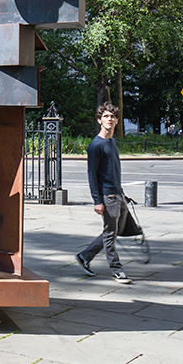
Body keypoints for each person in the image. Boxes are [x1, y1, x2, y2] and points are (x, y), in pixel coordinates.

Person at [75, 103, 132, 284]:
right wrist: (97, 201)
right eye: (106, 116)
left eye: (112, 117)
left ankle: (85, 256)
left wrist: (122, 192)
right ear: (99, 120)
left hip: (117, 195)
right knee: (110, 234)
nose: (109, 119)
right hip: (107, 197)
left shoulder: (112, 143)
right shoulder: (96, 146)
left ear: (116, 121)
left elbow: (113, 171)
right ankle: (116, 269)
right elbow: (92, 175)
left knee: (111, 232)